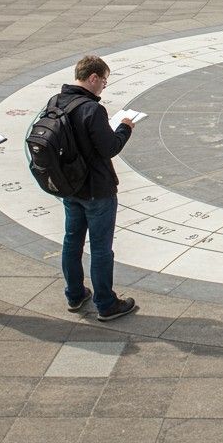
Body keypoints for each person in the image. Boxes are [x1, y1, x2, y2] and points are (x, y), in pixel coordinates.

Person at [51, 55, 140, 322]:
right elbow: (109, 147)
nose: (103, 86)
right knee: (101, 247)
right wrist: (124, 128)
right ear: (93, 78)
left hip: (70, 186)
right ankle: (106, 303)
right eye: (103, 81)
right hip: (96, 189)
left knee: (72, 240)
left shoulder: (56, 101)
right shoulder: (92, 110)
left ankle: (75, 294)